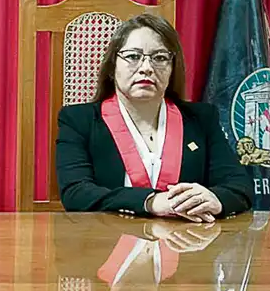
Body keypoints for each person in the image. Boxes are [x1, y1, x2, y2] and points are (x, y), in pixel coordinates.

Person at [56, 13, 252, 221]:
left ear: (171, 69)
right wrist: (150, 201)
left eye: (159, 58)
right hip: (108, 245)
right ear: (113, 67)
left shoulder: (202, 119)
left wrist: (216, 199)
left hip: (186, 244)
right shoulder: (78, 120)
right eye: (133, 56)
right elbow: (76, 193)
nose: (146, 68)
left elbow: (240, 187)